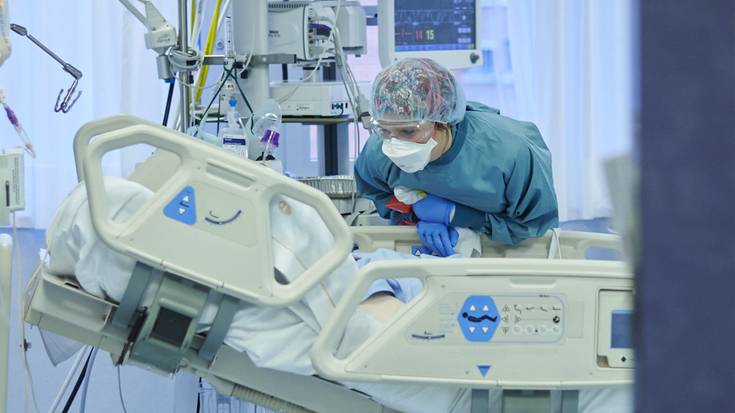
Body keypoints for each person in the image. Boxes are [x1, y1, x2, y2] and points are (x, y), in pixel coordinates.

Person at [355, 58, 559, 256]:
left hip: (505, 255)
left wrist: (460, 216)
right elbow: (376, 193)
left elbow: (535, 227)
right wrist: (413, 214)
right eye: (384, 130)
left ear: (442, 121)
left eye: (408, 131)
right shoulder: (378, 152)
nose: (395, 144)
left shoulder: (510, 152)